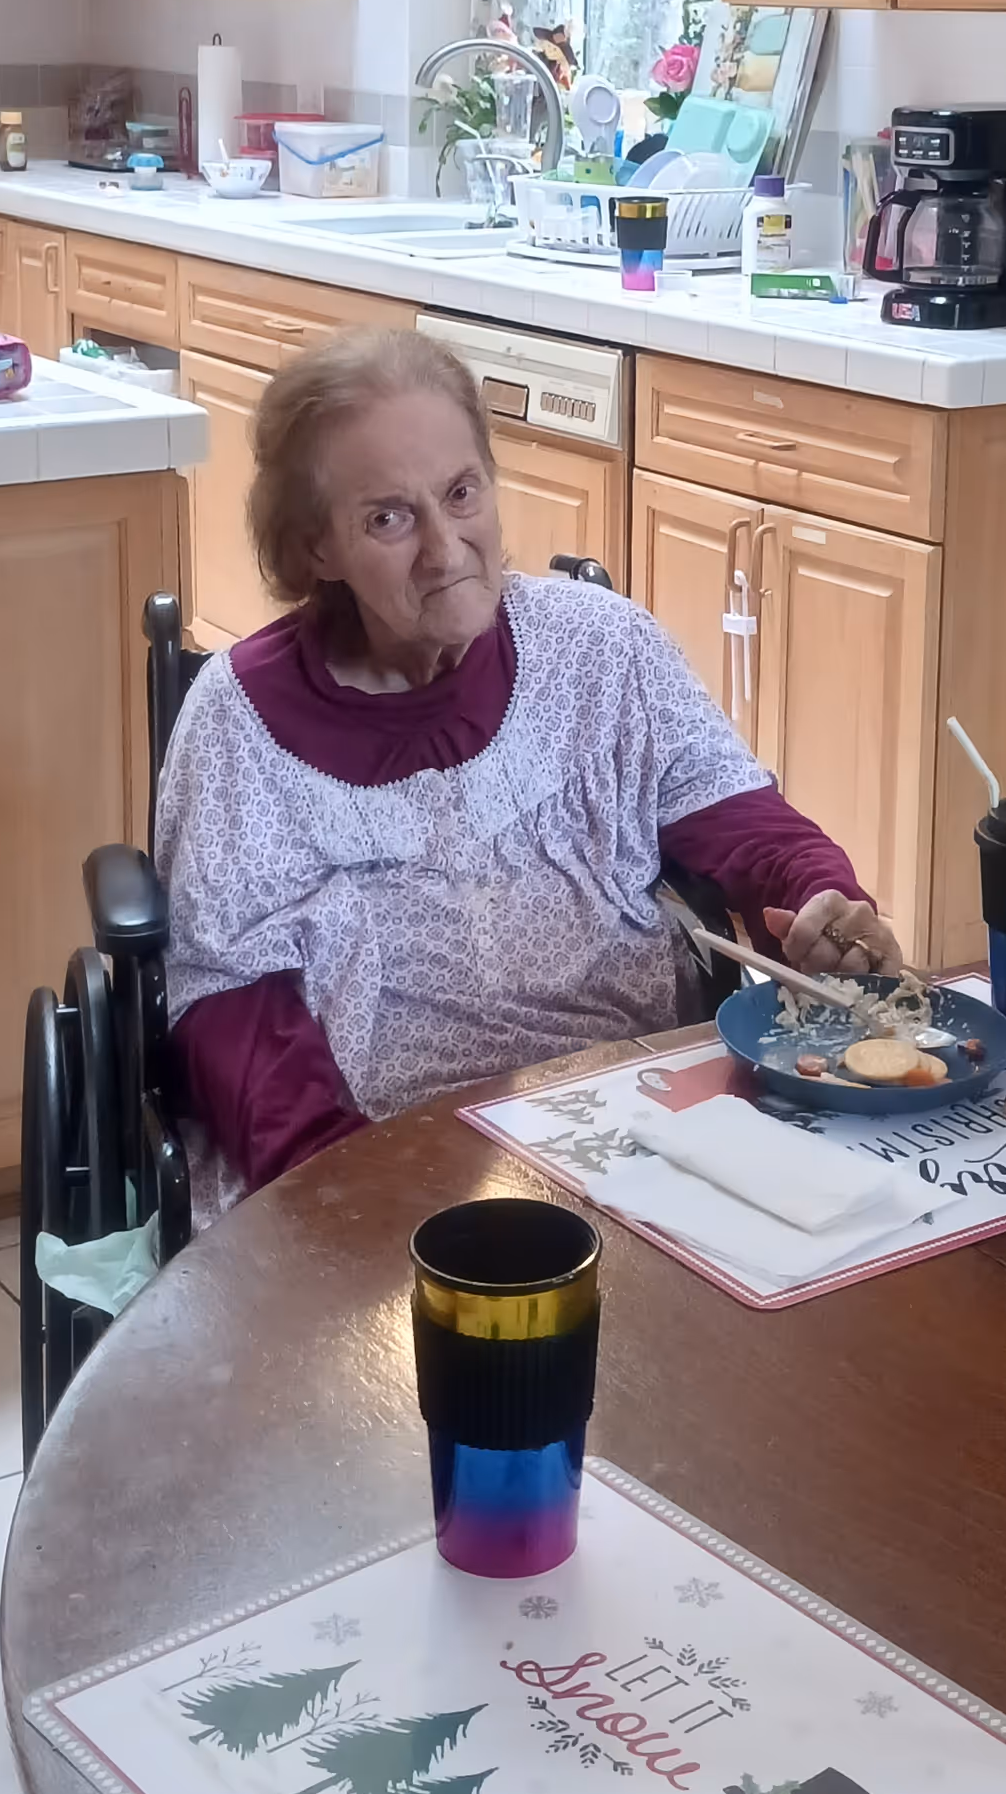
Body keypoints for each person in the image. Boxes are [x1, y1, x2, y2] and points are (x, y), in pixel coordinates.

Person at [157, 327, 901, 1197]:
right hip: (376, 1152)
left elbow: (742, 822)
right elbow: (229, 1010)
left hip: (640, 1116)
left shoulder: (601, 647)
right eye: (388, 517)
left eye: (461, 493)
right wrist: (351, 1191)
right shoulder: (241, 720)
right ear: (315, 548)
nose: (445, 548)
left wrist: (823, 902)